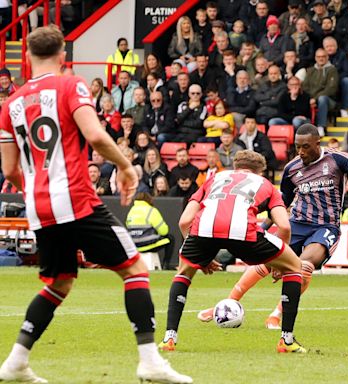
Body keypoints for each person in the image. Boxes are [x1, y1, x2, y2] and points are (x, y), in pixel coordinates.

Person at [0, 26, 191, 384]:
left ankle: (15, 362)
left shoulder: (10, 103)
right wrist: (123, 166)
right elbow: (95, 135)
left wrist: (39, 189)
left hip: (39, 207)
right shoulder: (71, 85)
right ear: (62, 57)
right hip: (75, 198)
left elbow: (9, 169)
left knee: (59, 282)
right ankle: (150, 361)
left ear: (27, 56)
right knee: (135, 270)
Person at [196, 124, 348, 328]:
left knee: (303, 266)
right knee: (264, 261)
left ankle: (276, 314)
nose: (301, 152)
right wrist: (265, 228)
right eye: (297, 147)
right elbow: (282, 202)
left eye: (306, 147)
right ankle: (228, 303)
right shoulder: (292, 168)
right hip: (296, 224)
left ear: (317, 144)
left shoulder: (337, 159)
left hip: (325, 227)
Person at [159, 150, 307, 353]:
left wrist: (202, 258)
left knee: (183, 274)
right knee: (295, 267)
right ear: (260, 171)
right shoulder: (266, 185)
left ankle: (169, 338)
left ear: (235, 167)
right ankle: (286, 341)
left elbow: (184, 221)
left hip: (203, 231)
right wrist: (279, 264)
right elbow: (284, 226)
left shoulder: (214, 178)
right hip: (244, 232)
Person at [126, 192, 173, 269]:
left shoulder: (131, 211)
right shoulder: (151, 210)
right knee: (170, 238)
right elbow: (164, 231)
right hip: (147, 244)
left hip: (134, 245)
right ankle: (166, 265)